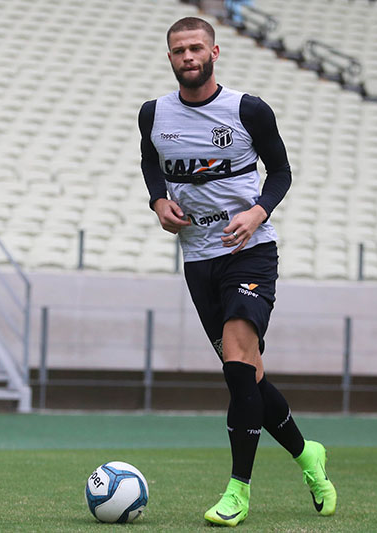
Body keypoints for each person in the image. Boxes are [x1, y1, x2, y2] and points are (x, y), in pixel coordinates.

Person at [138, 17, 337, 527]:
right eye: (179, 50)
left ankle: (238, 492)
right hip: (198, 258)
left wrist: (258, 212)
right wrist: (159, 201)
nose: (188, 56)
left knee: (237, 362)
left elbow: (283, 171)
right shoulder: (153, 114)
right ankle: (308, 456)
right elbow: (151, 163)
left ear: (215, 51)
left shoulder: (248, 109)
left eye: (196, 48)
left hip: (249, 252)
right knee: (247, 376)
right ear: (170, 57)